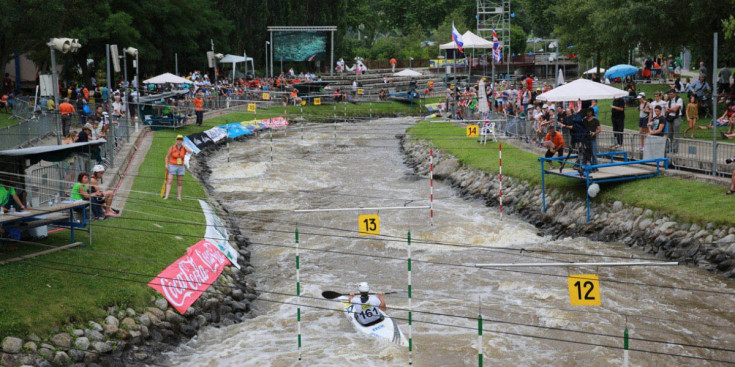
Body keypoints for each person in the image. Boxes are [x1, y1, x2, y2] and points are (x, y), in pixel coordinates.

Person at [163, 135, 192, 200]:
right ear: (176, 140)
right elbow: (167, 156)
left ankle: (179, 196)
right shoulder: (172, 147)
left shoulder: (184, 148)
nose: (179, 141)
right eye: (178, 139)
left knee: (179, 182)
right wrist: (166, 164)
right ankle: (167, 195)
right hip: (172, 165)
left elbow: (190, 152)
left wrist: (185, 146)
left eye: (181, 140)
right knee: (169, 181)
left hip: (180, 166)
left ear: (182, 141)